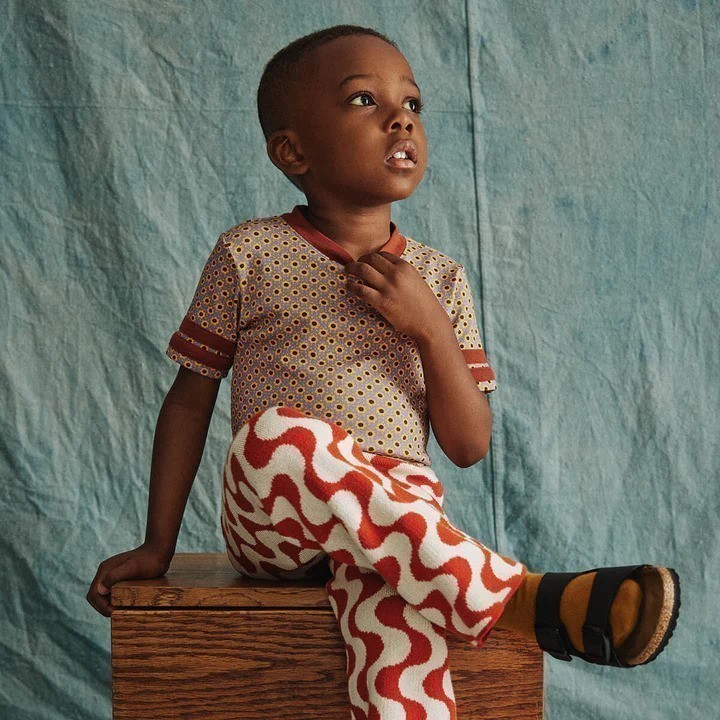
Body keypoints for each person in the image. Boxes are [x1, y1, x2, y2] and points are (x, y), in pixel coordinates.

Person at [87, 24, 681, 717]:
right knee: (276, 437)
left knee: (398, 653)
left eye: (413, 103)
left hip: (400, 524)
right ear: (292, 151)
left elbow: (468, 445)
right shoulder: (248, 254)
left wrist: (430, 327)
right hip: (275, 514)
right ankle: (518, 599)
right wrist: (157, 543)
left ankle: (467, 609)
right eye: (364, 100)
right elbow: (191, 400)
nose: (401, 118)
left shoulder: (440, 279)